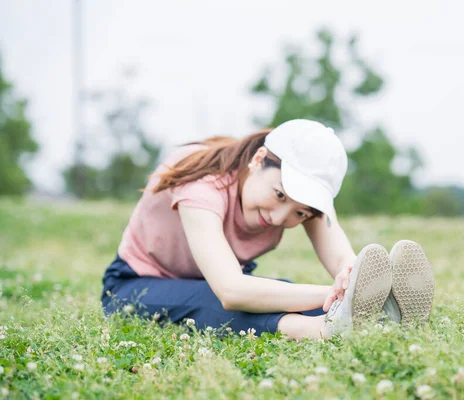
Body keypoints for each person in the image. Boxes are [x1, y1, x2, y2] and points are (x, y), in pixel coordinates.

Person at [100, 119, 435, 340]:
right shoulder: (203, 181)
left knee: (279, 291)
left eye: (300, 213)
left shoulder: (297, 203)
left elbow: (343, 262)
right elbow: (230, 290)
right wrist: (332, 294)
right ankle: (322, 330)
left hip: (213, 283)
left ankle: (384, 317)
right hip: (135, 285)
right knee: (225, 300)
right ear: (259, 159)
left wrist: (353, 279)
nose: (279, 218)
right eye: (279, 196)